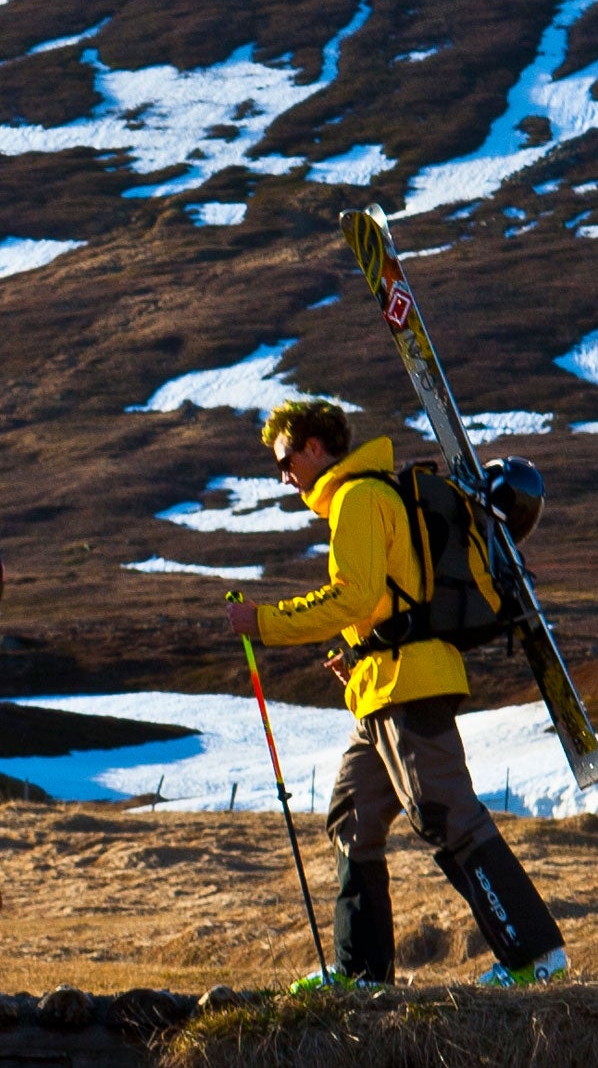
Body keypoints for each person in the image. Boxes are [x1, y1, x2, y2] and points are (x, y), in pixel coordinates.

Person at [224, 399, 568, 989]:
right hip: (383, 687)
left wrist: (266, 623)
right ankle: (362, 975)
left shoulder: (358, 498)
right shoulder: (369, 496)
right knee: (351, 818)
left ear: (314, 448)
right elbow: (384, 606)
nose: (283, 475)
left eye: (286, 460)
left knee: (448, 816)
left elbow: (352, 598)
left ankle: (535, 956)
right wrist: (359, 659)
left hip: (409, 688)